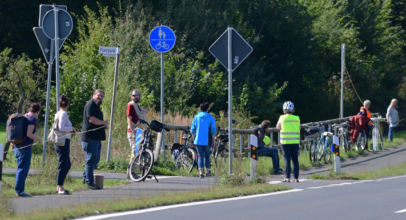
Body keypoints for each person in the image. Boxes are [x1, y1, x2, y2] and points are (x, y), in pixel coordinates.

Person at [12, 103, 42, 197]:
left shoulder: (24, 116)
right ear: (38, 112)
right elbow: (29, 134)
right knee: (23, 169)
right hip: (25, 148)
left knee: (20, 168)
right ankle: (20, 191)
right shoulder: (32, 119)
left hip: (17, 146)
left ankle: (19, 190)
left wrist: (13, 143)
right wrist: (38, 139)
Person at [81, 89, 108, 190]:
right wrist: (104, 122)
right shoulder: (90, 105)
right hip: (90, 138)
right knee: (91, 161)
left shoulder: (96, 106)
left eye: (102, 96)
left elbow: (96, 121)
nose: (100, 98)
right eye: (98, 95)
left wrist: (102, 125)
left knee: (95, 160)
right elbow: (92, 119)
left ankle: (85, 177)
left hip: (96, 138)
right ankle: (90, 182)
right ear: (94, 95)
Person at [54, 95, 76, 195]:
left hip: (62, 141)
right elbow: (61, 127)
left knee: (67, 164)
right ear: (67, 104)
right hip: (62, 142)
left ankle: (59, 185)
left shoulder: (58, 113)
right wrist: (71, 129)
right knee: (64, 163)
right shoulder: (63, 114)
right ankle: (60, 186)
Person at [191, 102, 216, 179]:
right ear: (207, 109)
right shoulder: (211, 118)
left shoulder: (196, 117)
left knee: (200, 156)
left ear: (200, 108)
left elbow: (192, 129)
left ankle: (201, 173)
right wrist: (213, 140)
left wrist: (194, 139)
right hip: (207, 140)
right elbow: (213, 130)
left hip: (198, 140)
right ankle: (207, 171)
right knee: (207, 156)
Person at [276, 101, 300, 183]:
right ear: (293, 109)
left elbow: (277, 127)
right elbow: (299, 128)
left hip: (285, 142)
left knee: (287, 159)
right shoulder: (297, 118)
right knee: (295, 160)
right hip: (295, 142)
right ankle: (296, 178)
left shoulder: (282, 118)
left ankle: (287, 178)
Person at [126, 89, 148, 178]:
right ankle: (130, 173)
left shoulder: (137, 106)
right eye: (134, 95)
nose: (136, 97)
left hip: (138, 131)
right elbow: (129, 119)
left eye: (138, 95)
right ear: (131, 96)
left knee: (138, 151)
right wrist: (133, 131)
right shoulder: (130, 105)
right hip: (133, 132)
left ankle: (132, 172)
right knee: (135, 151)